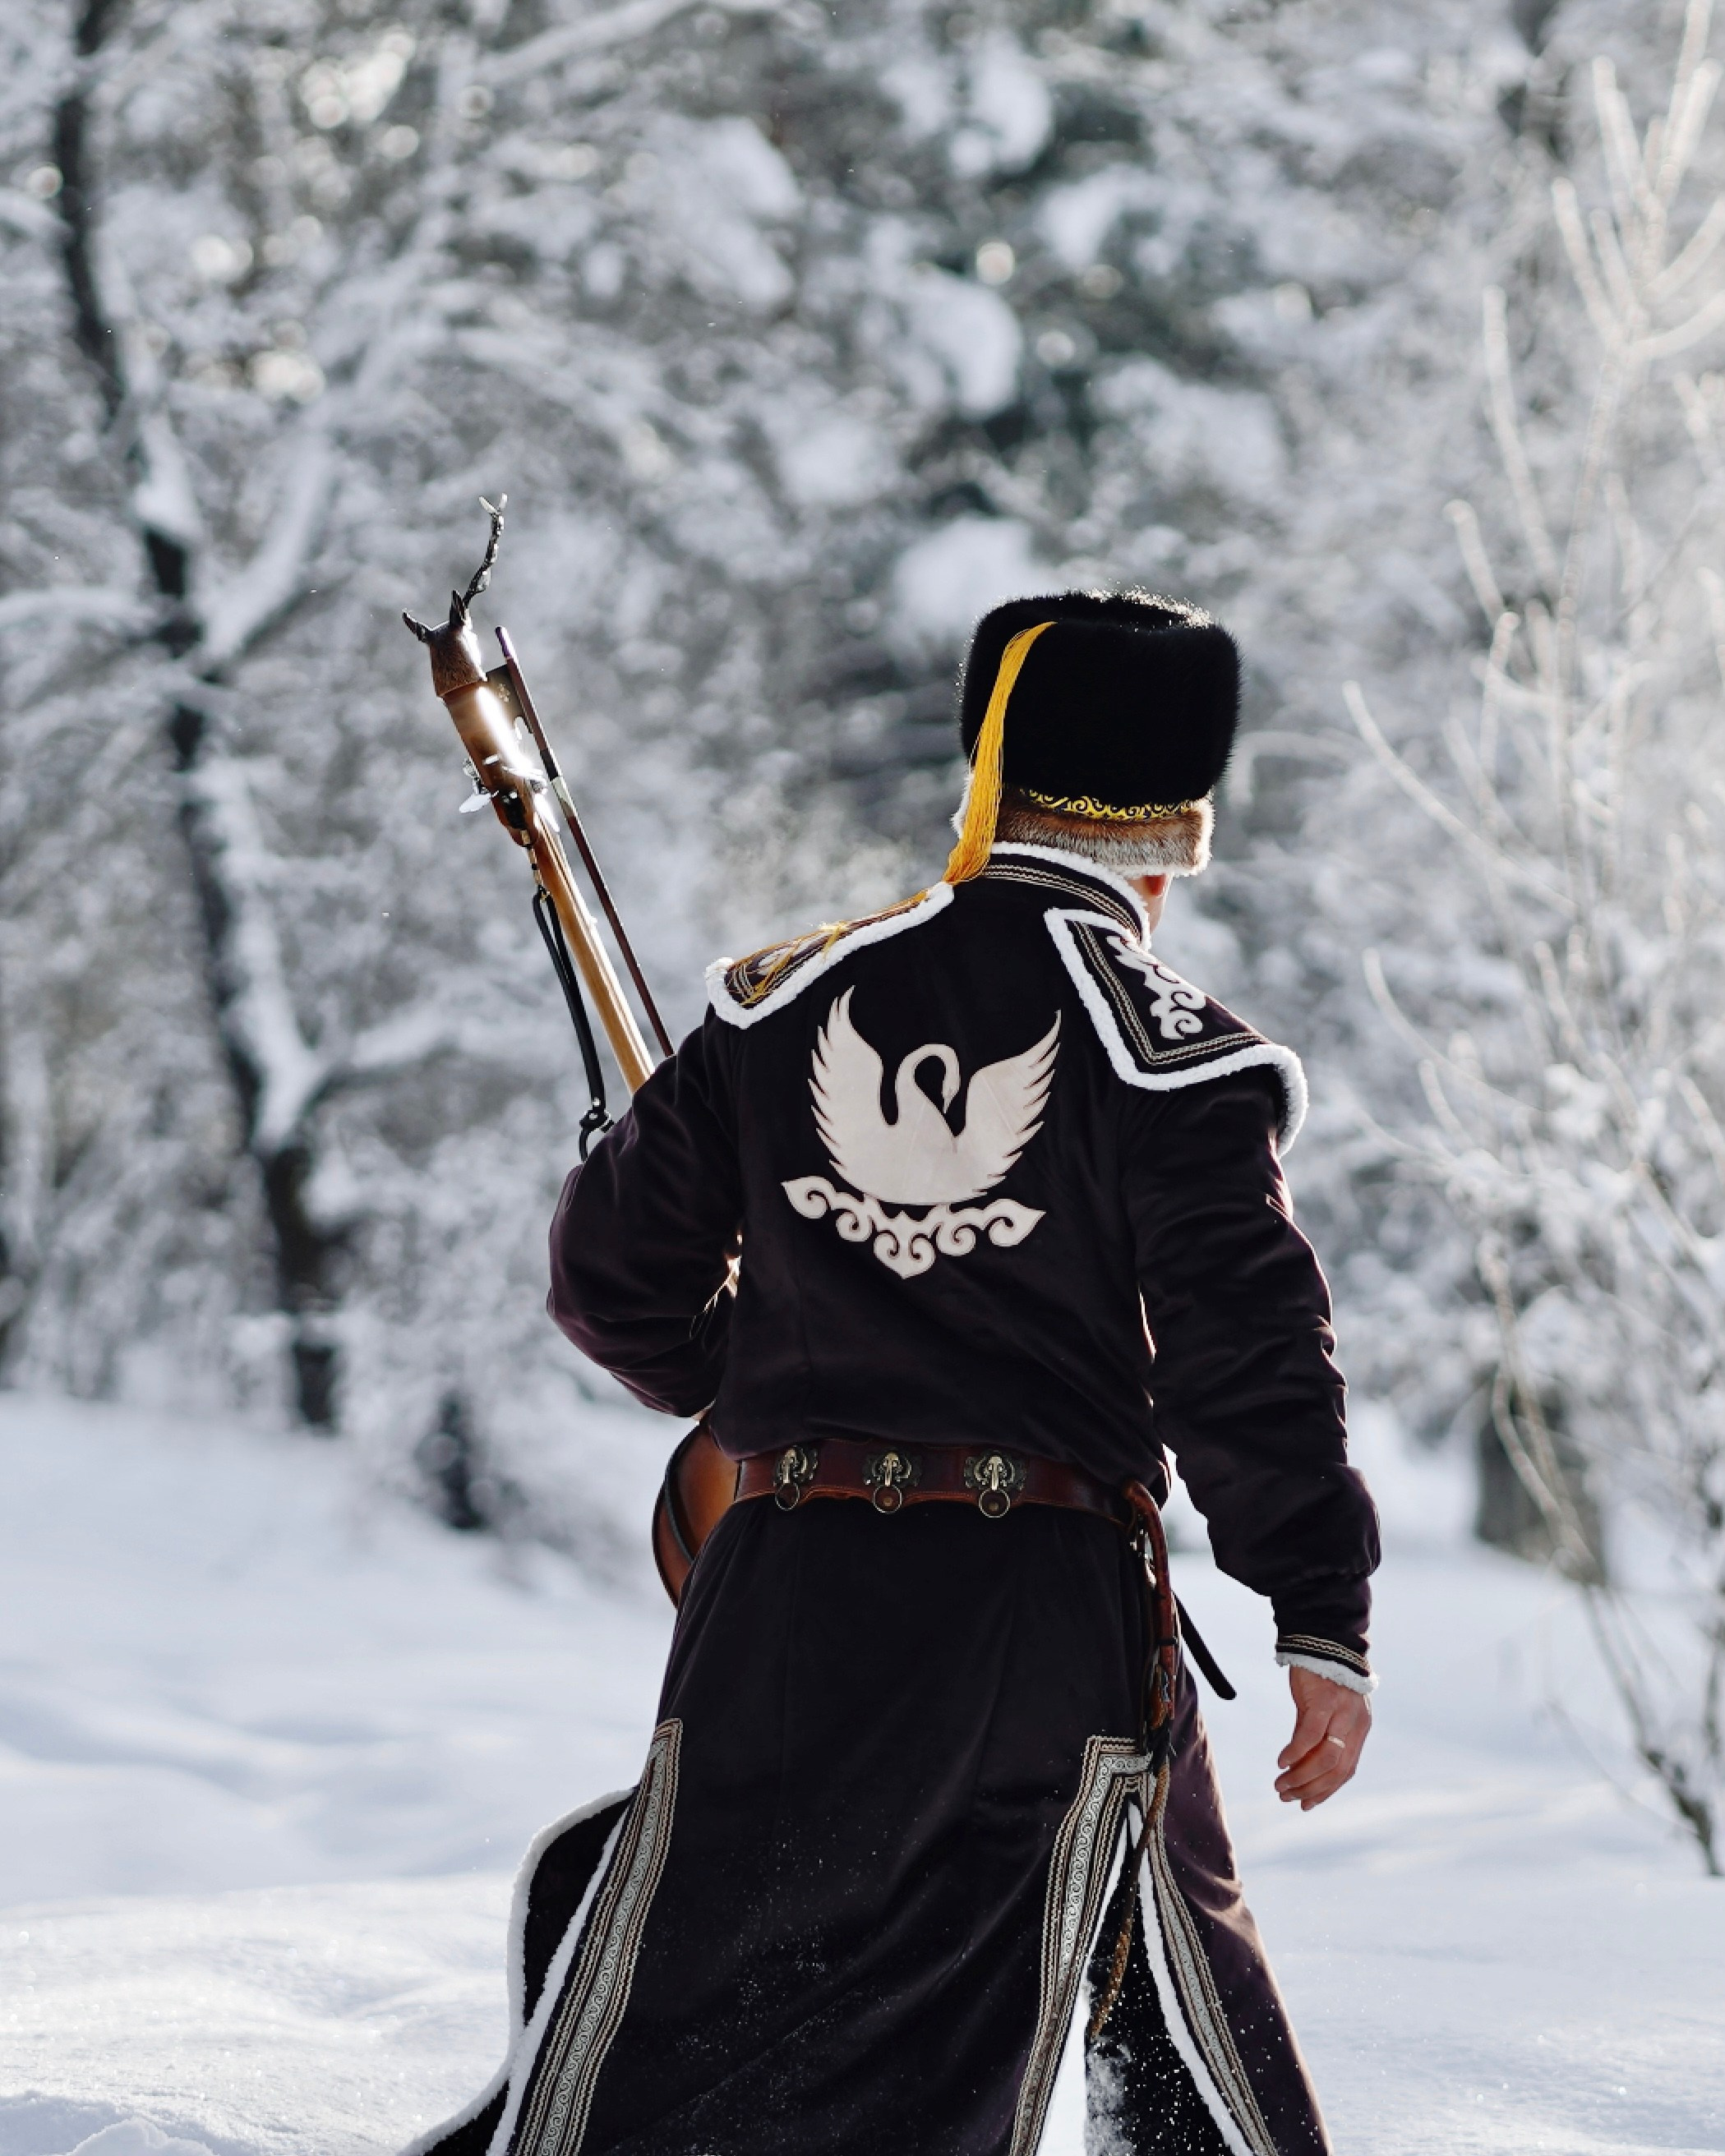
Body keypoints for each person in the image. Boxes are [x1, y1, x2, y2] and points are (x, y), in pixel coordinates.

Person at [410, 590, 1379, 2156]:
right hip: (1037, 1611)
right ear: (1177, 833)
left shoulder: (777, 997)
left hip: (778, 1597)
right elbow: (1249, 1357)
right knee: (1130, 2036)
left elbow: (605, 1283)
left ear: (989, 771)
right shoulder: (1179, 1052)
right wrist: (1319, 1611)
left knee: (698, 2045)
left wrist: (777, 1381)